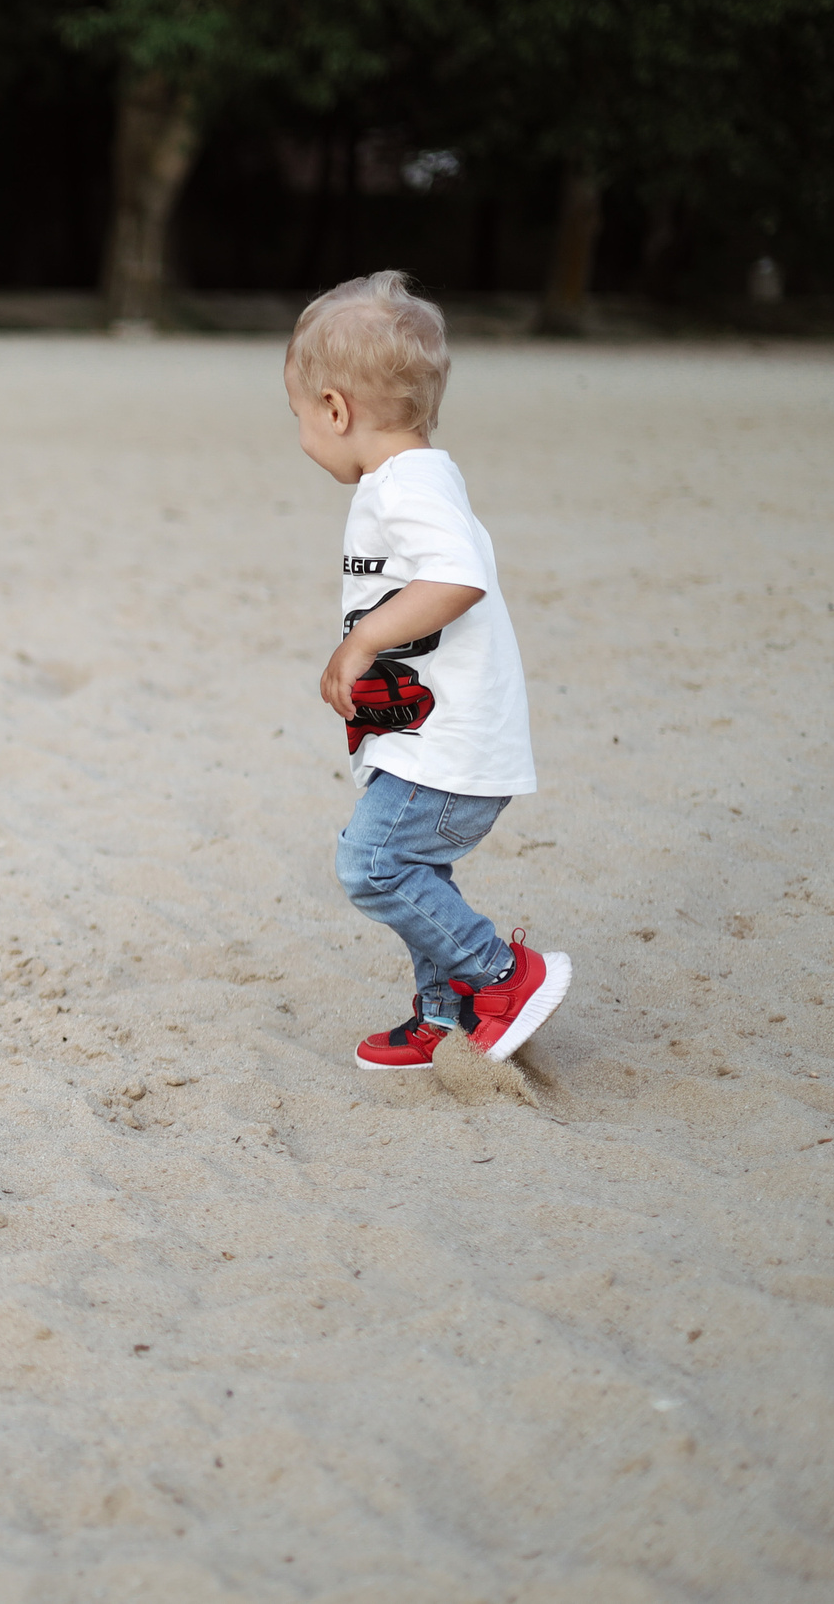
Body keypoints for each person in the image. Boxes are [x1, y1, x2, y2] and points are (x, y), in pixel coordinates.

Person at [285, 271, 571, 1072]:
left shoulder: (409, 484)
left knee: (371, 864)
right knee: (418, 872)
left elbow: (459, 574)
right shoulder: (406, 477)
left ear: (335, 409)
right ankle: (445, 1016)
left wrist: (361, 640)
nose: (302, 435)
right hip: (423, 737)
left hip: (450, 748)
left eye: (299, 416)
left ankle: (505, 975)